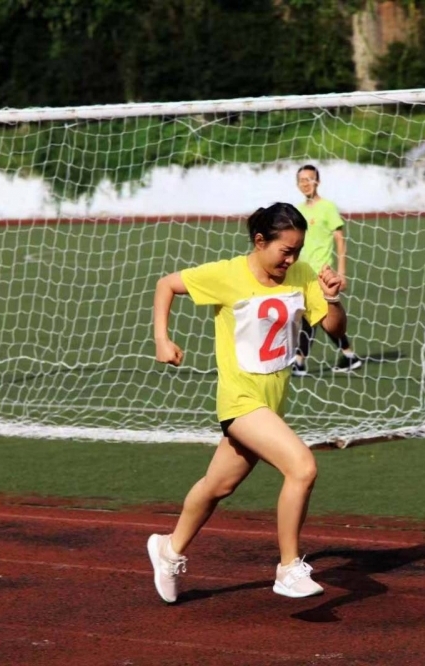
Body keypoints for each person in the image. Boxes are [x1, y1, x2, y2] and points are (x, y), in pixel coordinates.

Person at [148, 202, 347, 604]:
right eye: (285, 251)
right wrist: (162, 339)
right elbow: (166, 284)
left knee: (217, 485)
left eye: (297, 251)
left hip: (271, 406)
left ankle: (169, 548)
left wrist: (331, 299)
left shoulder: (302, 274)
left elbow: (334, 329)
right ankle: (288, 568)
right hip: (239, 402)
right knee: (302, 467)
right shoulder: (226, 274)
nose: (291, 260)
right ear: (259, 242)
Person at [292, 164, 363, 376]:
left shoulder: (328, 207)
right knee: (317, 317)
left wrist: (341, 273)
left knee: (312, 316)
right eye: (301, 180)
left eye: (309, 179)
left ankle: (299, 362)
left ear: (318, 181)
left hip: (322, 273)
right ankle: (349, 356)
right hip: (302, 273)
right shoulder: (298, 210)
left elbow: (340, 240)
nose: (305, 184)